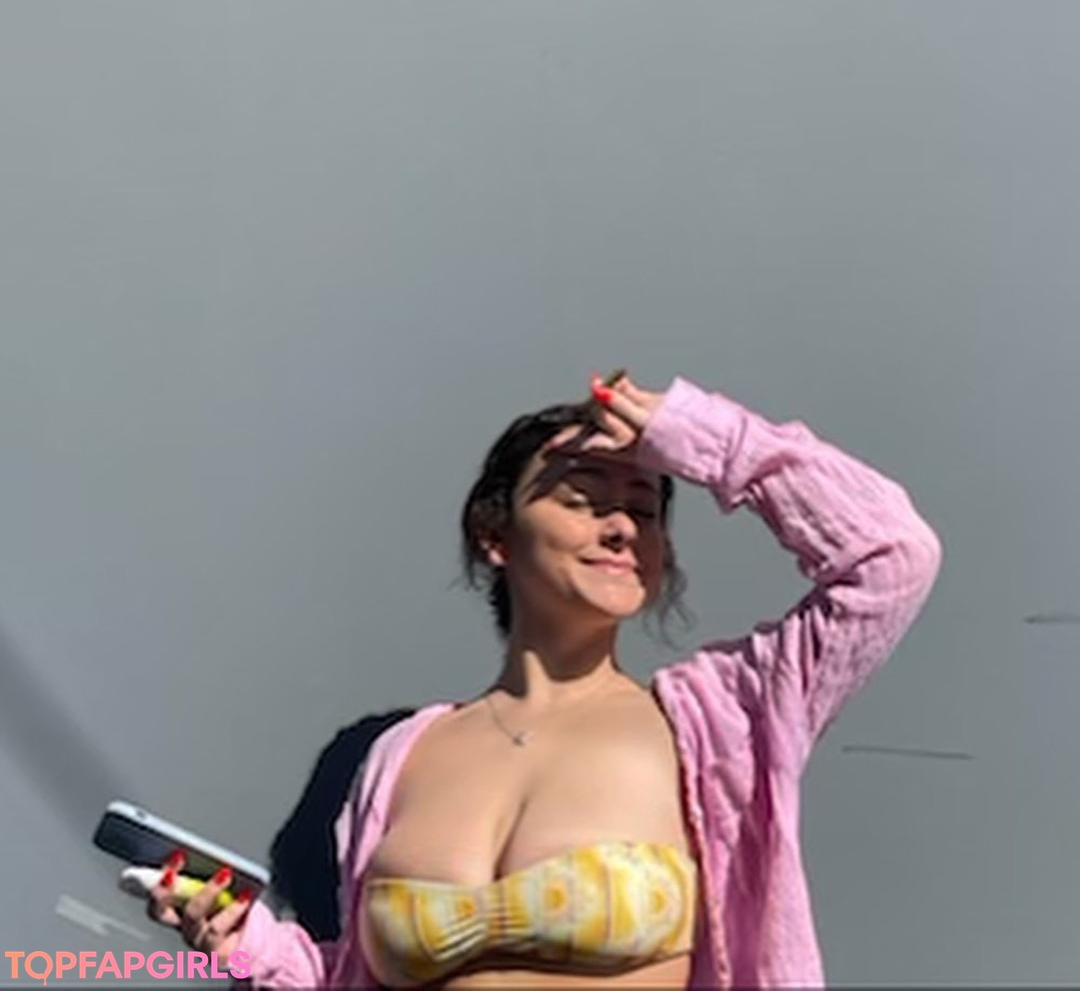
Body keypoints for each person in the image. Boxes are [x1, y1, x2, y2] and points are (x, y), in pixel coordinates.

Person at [146, 370, 942, 988]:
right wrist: (250, 944)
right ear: (495, 535)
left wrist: (706, 439)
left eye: (645, 509)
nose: (620, 526)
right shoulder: (404, 753)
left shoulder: (724, 717)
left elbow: (892, 555)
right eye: (583, 497)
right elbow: (355, 973)